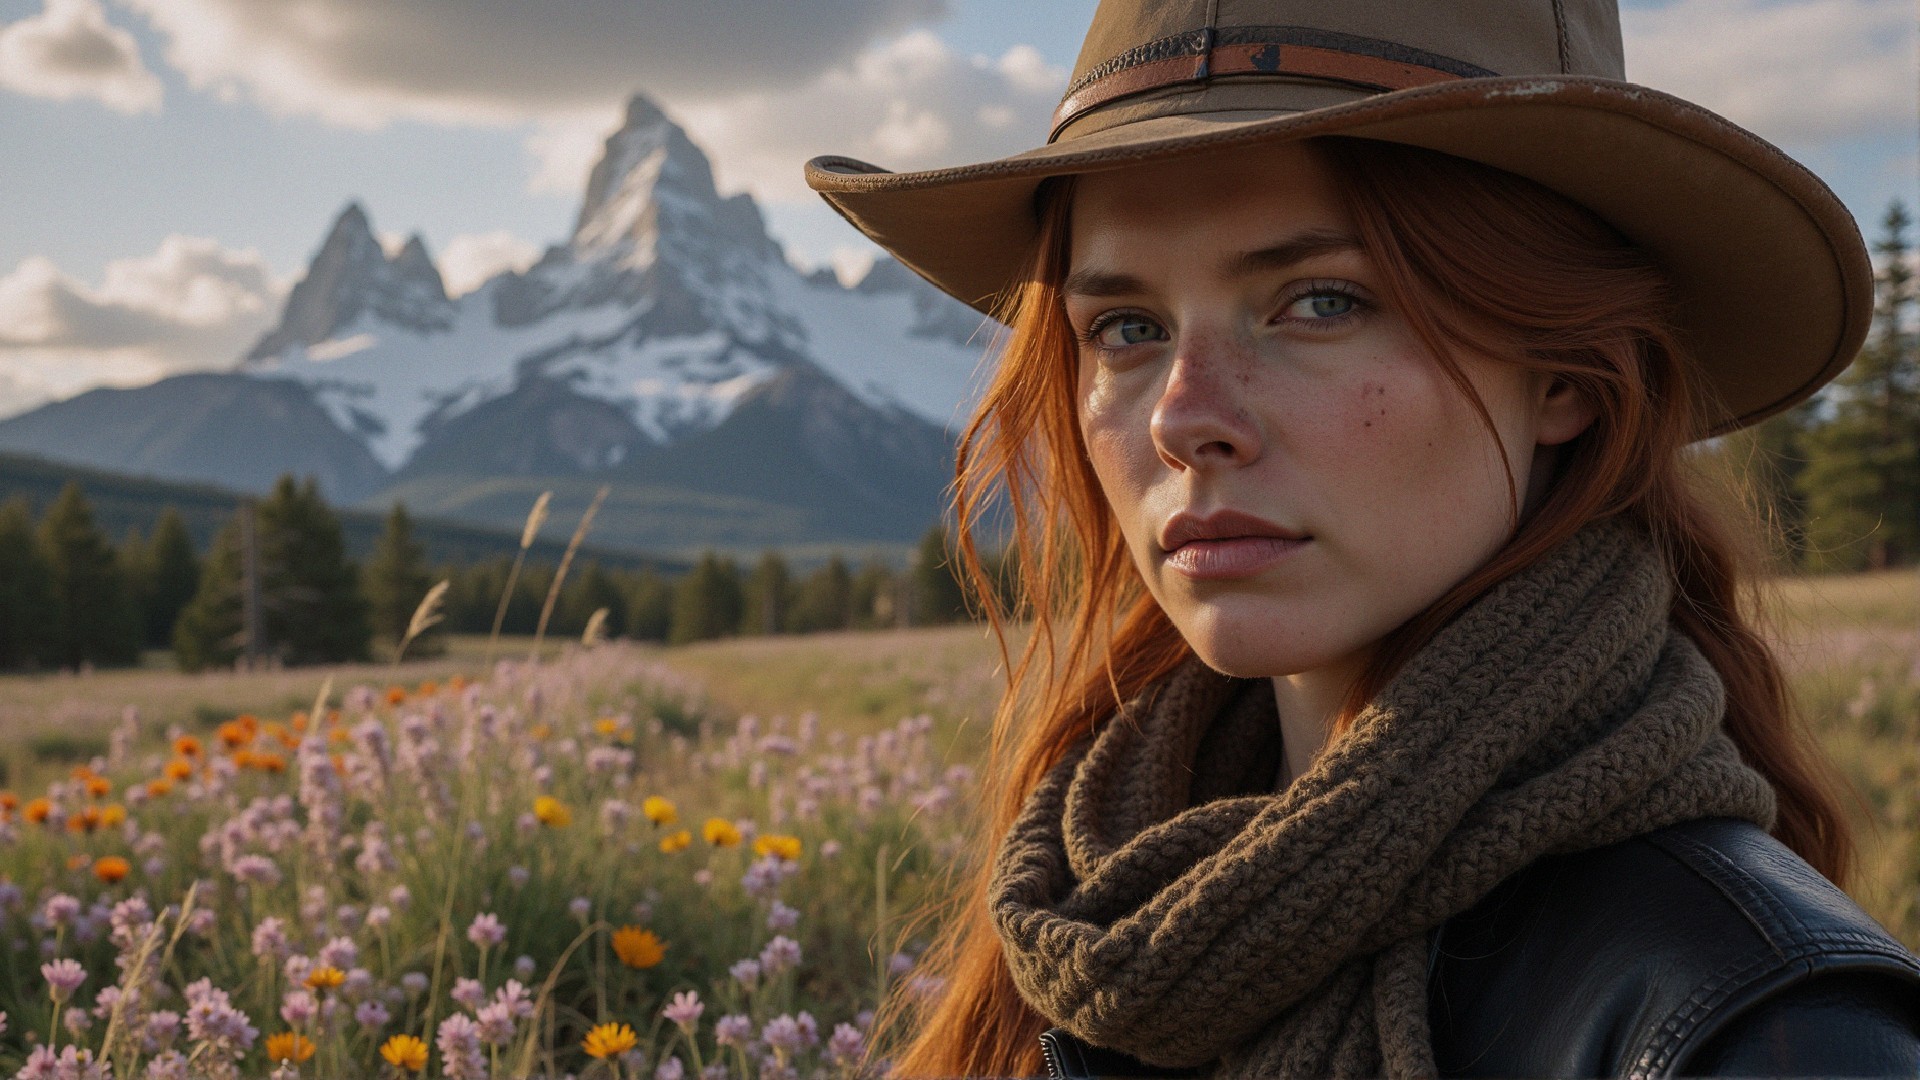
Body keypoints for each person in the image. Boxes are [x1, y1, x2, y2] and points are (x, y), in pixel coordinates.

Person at [808, 0, 1920, 1076]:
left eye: (1320, 302)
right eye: (1127, 329)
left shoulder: (1759, 1027)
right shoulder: (1089, 919)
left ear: (1566, 378)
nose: (1185, 416)